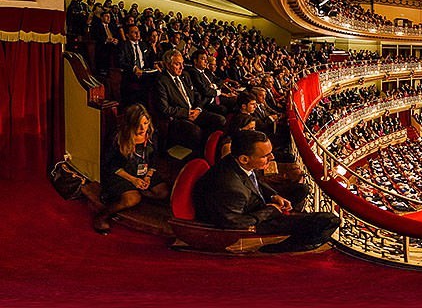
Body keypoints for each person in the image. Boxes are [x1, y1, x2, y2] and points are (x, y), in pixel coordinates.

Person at [194, 130, 338, 253]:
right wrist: (271, 210)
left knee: (302, 189)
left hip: (258, 203)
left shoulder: (234, 161)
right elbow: (233, 222)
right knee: (329, 220)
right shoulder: (230, 187)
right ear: (244, 159)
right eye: (265, 156)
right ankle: (280, 248)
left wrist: (274, 196)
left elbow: (255, 181)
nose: (272, 158)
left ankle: (294, 218)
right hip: (257, 219)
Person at [93, 104, 169, 234]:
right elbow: (109, 164)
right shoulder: (118, 137)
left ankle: (140, 192)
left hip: (143, 171)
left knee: (164, 193)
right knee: (133, 199)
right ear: (129, 124)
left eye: (145, 123)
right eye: (138, 124)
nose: (143, 128)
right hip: (122, 173)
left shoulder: (151, 133)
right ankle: (102, 216)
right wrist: (133, 180)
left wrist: (148, 177)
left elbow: (154, 159)